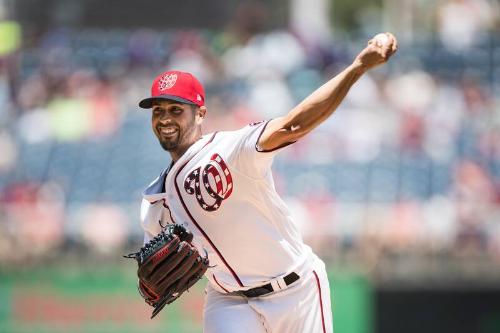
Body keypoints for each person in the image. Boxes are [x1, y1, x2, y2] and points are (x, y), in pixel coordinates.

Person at [137, 33, 398, 333]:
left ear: (201, 114)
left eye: (175, 109)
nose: (165, 118)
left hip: (296, 290)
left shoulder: (231, 149)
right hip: (229, 300)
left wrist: (357, 68)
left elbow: (292, 125)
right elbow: (151, 280)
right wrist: (150, 286)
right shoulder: (154, 201)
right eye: (158, 111)